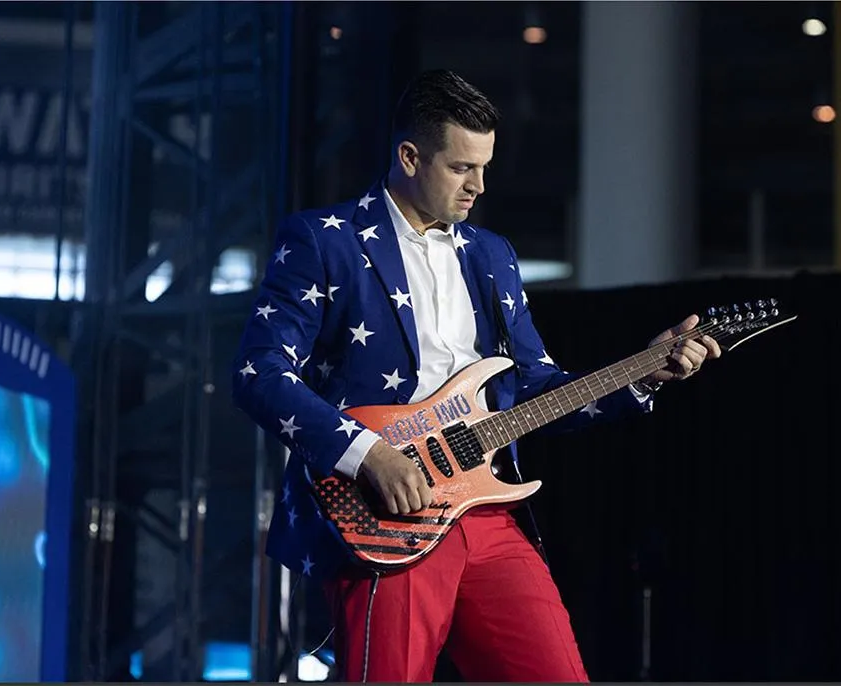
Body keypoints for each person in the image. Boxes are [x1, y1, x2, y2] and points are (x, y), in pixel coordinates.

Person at [232, 69, 721, 682]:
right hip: (386, 517)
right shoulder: (323, 240)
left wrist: (646, 373)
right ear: (409, 157)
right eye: (461, 167)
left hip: (485, 511)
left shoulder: (492, 255)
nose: (478, 186)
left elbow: (536, 388)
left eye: (484, 167)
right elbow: (260, 374)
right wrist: (370, 456)